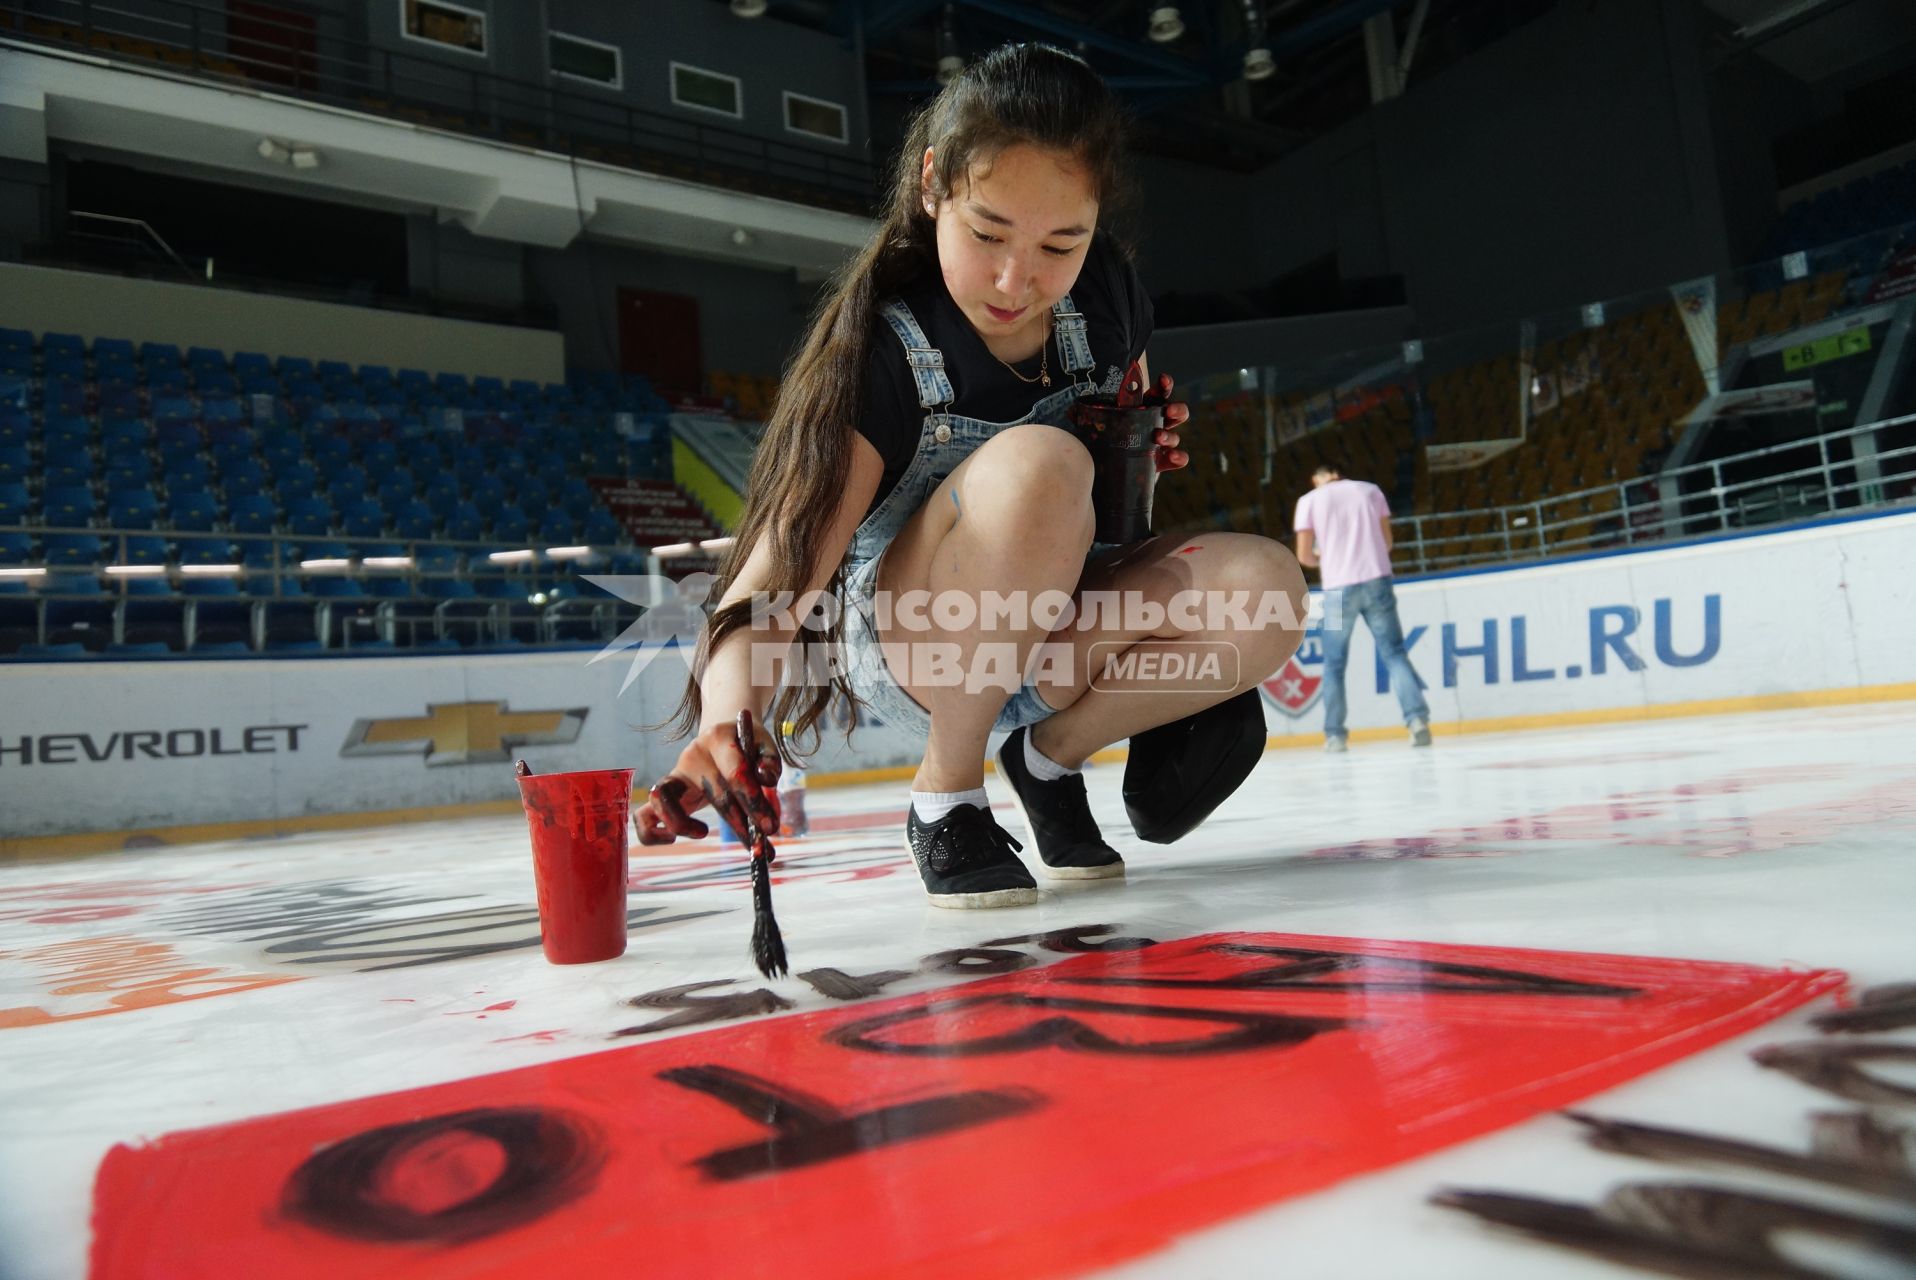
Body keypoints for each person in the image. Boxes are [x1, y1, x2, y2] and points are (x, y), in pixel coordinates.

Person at [635, 43, 1307, 908]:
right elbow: (778, 572)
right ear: (930, 188)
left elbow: (1111, 517)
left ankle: (1048, 758)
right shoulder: (882, 353)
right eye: (987, 232)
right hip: (919, 636)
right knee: (1039, 461)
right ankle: (946, 794)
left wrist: (1137, 453)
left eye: (1062, 242)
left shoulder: (1108, 298)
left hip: (1051, 620)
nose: (1015, 280)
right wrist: (729, 722)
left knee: (1269, 589)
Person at [1292, 461, 1430, 752]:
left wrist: (1324, 558)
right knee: (1394, 653)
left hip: (1338, 588)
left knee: (1334, 664)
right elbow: (1387, 542)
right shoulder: (1370, 491)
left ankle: (1335, 735)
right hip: (1376, 578)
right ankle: (1417, 721)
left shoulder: (1308, 501)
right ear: (1338, 474)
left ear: (1321, 478)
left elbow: (1304, 555)